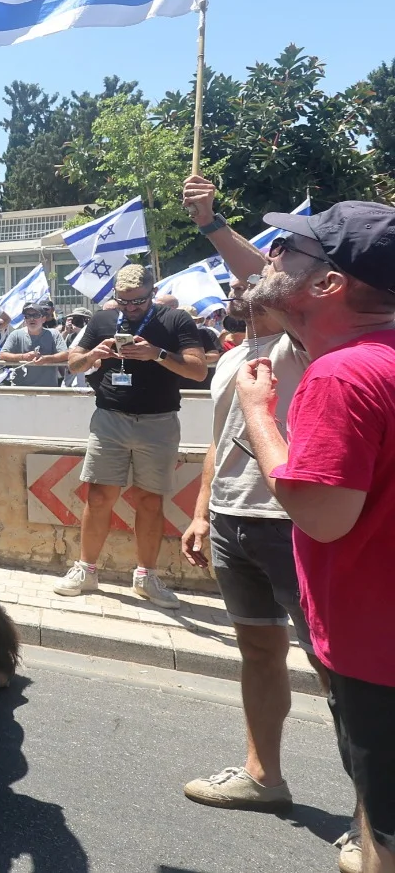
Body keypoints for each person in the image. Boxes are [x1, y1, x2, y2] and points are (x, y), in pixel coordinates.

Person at [234, 200, 395, 873]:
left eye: (288, 250)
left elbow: (321, 513)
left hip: (377, 652)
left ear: (329, 284)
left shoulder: (343, 374)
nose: (270, 256)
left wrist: (258, 413)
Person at [177, 277, 323, 819]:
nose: (241, 284)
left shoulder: (300, 344)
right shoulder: (229, 359)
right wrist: (200, 512)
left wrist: (213, 222)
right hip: (232, 520)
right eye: (236, 281)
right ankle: (263, 778)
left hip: (292, 523)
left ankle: (377, 816)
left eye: (256, 278)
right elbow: (220, 439)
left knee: (334, 666)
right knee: (259, 653)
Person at [54, 264, 207, 609]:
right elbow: (74, 363)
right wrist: (94, 355)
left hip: (159, 422)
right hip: (110, 419)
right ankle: (86, 570)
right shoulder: (102, 320)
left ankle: (146, 576)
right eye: (123, 302)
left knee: (150, 501)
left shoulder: (175, 320)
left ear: (152, 292)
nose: (130, 308)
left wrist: (158, 354)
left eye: (137, 301)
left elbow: (198, 370)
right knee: (98, 497)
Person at [0, 303, 69, 386]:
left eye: (36, 315)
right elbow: (3, 355)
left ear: (43, 319)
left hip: (47, 389)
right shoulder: (15, 334)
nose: (31, 319)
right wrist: (24, 357)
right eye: (28, 316)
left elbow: (66, 354)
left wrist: (46, 359)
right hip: (20, 389)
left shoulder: (54, 334)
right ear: (25, 319)